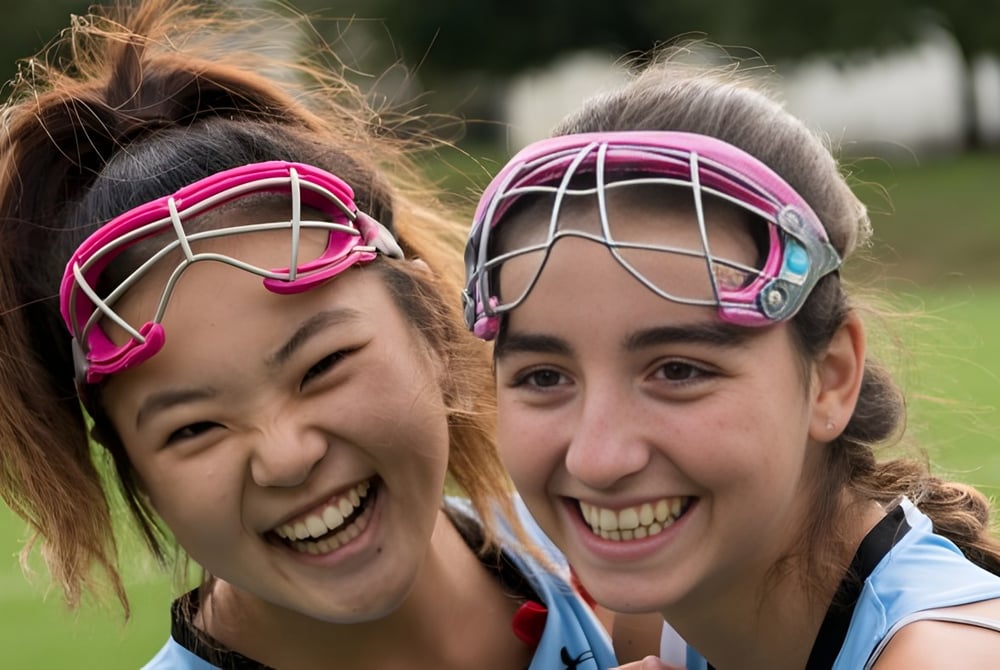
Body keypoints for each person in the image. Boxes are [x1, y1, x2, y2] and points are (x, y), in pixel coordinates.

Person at [0, 1, 636, 667]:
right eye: (193, 428)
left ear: (431, 327)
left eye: (322, 365)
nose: (286, 457)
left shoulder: (620, 568)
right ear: (135, 466)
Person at [461, 47, 1000, 670]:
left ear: (830, 377)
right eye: (545, 377)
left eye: (679, 370)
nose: (598, 459)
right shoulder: (662, 607)